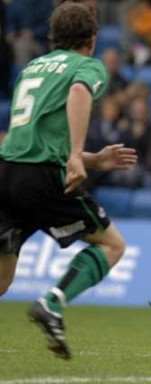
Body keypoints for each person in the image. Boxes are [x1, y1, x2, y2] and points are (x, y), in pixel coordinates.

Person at [0, 3, 138, 359]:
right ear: (92, 39)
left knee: (1, 280)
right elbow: (79, 92)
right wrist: (78, 154)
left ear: (53, 36)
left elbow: (35, 135)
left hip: (8, 172)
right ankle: (52, 303)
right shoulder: (86, 66)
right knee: (112, 245)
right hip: (44, 179)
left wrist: (93, 158)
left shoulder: (32, 67)